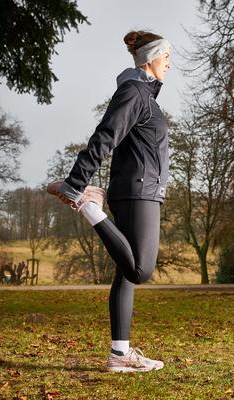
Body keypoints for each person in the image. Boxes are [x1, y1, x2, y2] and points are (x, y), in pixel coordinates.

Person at [47, 30, 171, 373]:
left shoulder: (145, 95)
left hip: (141, 189)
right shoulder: (134, 92)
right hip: (137, 190)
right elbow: (105, 134)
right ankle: (89, 206)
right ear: (150, 59)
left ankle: (120, 354)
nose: (170, 64)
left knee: (126, 274)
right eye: (166, 57)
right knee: (140, 269)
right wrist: (76, 184)